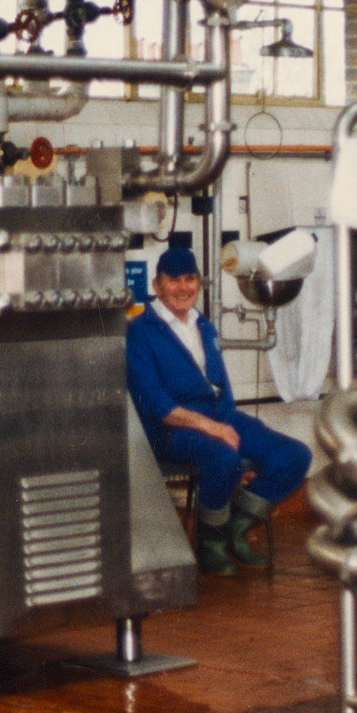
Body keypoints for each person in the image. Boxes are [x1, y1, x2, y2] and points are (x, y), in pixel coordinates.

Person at [126, 246, 311, 575]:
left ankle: (234, 530)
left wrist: (227, 424)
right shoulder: (141, 331)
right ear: (157, 285)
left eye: (191, 279)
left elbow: (223, 389)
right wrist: (213, 430)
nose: (184, 288)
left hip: (216, 417)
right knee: (223, 457)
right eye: (174, 281)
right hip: (169, 429)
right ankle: (209, 543)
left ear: (199, 282)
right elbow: (156, 404)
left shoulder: (204, 325)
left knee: (295, 455)